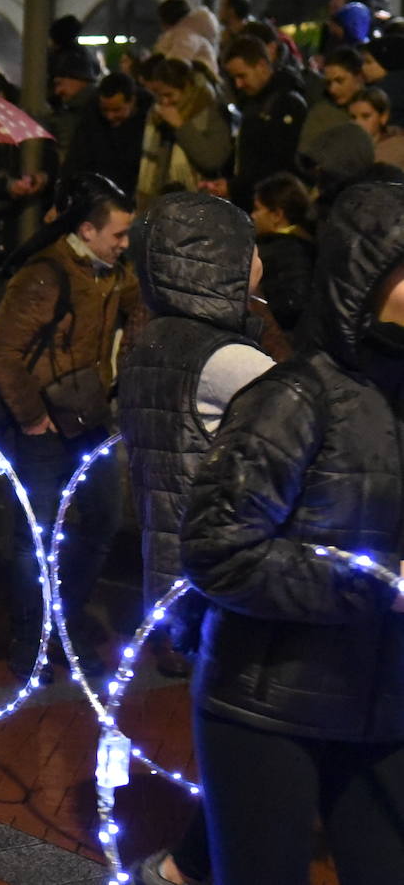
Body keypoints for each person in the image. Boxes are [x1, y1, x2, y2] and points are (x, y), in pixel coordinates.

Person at [180, 180, 404, 884]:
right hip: (265, 708)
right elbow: (221, 551)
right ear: (367, 278)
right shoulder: (293, 397)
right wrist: (378, 586)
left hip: (383, 708)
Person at [119, 192, 277, 885]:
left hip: (177, 568)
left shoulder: (152, 339)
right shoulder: (228, 361)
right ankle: (191, 863)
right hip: (232, 570)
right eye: (249, 248)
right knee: (258, 729)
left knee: (243, 723)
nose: (261, 260)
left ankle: (191, 860)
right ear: (211, 262)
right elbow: (310, 435)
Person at [0, 179, 143, 681]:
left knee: (99, 524)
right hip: (45, 430)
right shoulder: (46, 275)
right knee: (35, 538)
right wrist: (32, 417)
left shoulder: (113, 274)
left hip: (87, 420)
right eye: (117, 233)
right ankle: (30, 644)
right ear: (87, 230)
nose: (125, 243)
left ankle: (62, 627)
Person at [221, 36, 308, 210]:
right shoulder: (254, 102)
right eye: (234, 78)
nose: (238, 84)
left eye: (242, 76)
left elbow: (277, 162)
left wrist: (234, 186)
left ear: (261, 66)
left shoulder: (286, 104)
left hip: (271, 206)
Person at [136, 58, 233, 209]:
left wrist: (181, 126)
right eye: (159, 96)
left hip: (200, 204)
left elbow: (213, 160)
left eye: (170, 95)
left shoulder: (209, 112)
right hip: (165, 206)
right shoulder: (157, 117)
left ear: (187, 88)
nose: (164, 102)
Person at [63, 72, 151, 197]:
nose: (110, 116)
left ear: (132, 101)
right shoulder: (91, 117)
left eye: (117, 110)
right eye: (105, 110)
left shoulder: (149, 123)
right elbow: (76, 160)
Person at [250, 172, 316, 336]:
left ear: (277, 215)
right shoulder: (305, 243)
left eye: (257, 208)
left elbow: (293, 304)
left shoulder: (285, 250)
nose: (252, 215)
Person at [347, 87, 404, 168]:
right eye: (353, 117)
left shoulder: (399, 148)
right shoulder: (345, 150)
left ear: (383, 117)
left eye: (365, 116)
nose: (357, 123)